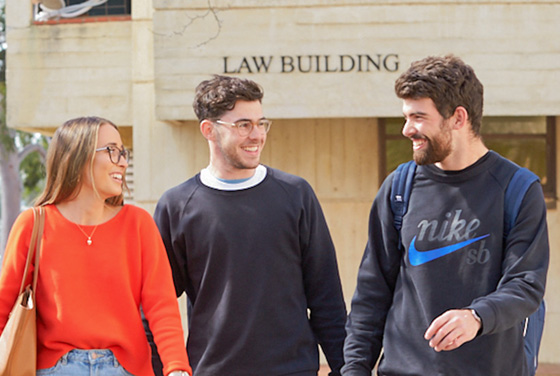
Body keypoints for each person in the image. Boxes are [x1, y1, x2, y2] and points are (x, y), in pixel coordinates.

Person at [342, 55, 549, 375]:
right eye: (406, 116)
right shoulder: (399, 187)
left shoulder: (517, 189)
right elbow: (372, 294)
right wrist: (354, 369)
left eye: (419, 117)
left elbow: (525, 285)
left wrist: (477, 317)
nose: (407, 129)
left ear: (458, 117)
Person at [149, 75, 347, 376]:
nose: (257, 135)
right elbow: (154, 305)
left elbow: (327, 298)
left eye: (261, 123)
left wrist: (346, 369)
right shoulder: (177, 206)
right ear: (209, 130)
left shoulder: (295, 195)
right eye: (243, 125)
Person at [0, 116, 192, 376]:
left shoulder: (138, 224)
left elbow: (162, 305)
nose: (123, 161)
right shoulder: (33, 224)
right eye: (112, 151)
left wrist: (177, 367)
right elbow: (4, 304)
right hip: (55, 369)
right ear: (77, 157)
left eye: (123, 152)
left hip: (127, 369)